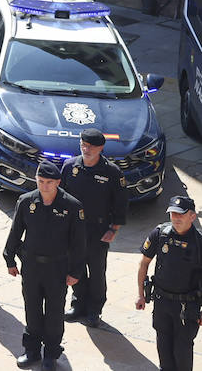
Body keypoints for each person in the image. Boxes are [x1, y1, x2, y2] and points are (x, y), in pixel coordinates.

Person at [4, 160, 87, 370]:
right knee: (31, 309)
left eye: (49, 182)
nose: (44, 186)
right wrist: (9, 258)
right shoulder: (26, 201)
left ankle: (51, 353)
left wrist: (76, 272)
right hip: (31, 266)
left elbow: (79, 244)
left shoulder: (72, 206)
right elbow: (15, 232)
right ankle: (31, 350)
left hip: (57, 268)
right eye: (41, 181)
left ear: (58, 182)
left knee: (54, 312)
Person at [61, 128, 127, 328]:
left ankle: (94, 309)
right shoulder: (69, 166)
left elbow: (121, 202)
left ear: (101, 148)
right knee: (75, 267)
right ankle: (78, 303)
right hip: (73, 230)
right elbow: (61, 196)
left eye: (90, 146)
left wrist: (113, 228)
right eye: (83, 144)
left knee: (97, 272)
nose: (86, 149)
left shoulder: (111, 172)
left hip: (98, 231)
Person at [137, 195, 202, 371]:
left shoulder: (199, 242)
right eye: (172, 214)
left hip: (186, 307)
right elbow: (144, 263)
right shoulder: (160, 233)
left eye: (180, 214)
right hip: (162, 302)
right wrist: (141, 295)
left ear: (192, 216)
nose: (175, 218)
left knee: (182, 353)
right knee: (164, 351)